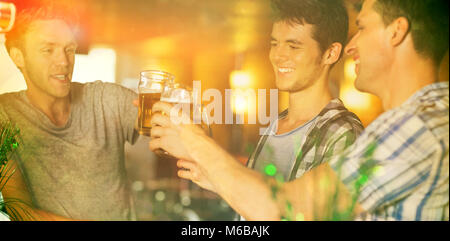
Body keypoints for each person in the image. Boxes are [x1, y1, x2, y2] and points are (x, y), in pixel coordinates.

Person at [149, 0, 449, 221]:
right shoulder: (417, 121)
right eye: (275, 43)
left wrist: (192, 139)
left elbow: (284, 211)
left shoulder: (419, 125)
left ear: (396, 32)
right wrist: (214, 173)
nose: (351, 45)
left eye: (362, 27)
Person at [0, 5, 139, 221]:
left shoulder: (105, 98)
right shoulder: (4, 114)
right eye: (48, 50)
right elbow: (19, 209)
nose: (64, 62)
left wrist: (175, 126)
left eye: (69, 49)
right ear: (18, 57)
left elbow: (162, 121)